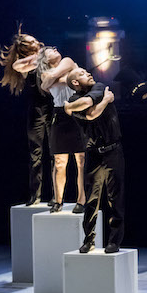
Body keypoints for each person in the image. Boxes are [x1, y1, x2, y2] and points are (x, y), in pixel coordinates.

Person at [64, 67, 124, 254]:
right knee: (91, 199)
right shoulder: (76, 99)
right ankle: (88, 240)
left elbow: (89, 108)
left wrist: (70, 107)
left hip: (114, 150)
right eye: (82, 74)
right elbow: (90, 114)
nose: (88, 74)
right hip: (94, 153)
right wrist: (105, 100)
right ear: (75, 83)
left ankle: (114, 241)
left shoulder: (99, 86)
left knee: (116, 198)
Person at [0, 27, 54, 206]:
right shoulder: (23, 64)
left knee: (56, 154)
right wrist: (42, 55)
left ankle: (56, 196)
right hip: (36, 110)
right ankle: (35, 195)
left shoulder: (48, 55)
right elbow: (19, 65)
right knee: (35, 154)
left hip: (53, 107)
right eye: (31, 41)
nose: (36, 42)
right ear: (25, 48)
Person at [35, 47, 86, 214]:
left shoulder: (68, 61)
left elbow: (59, 82)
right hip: (60, 114)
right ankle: (58, 201)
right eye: (49, 50)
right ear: (44, 58)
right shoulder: (45, 73)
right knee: (59, 161)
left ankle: (82, 200)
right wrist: (62, 77)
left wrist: (55, 78)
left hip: (78, 111)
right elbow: (46, 84)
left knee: (81, 160)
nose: (55, 49)